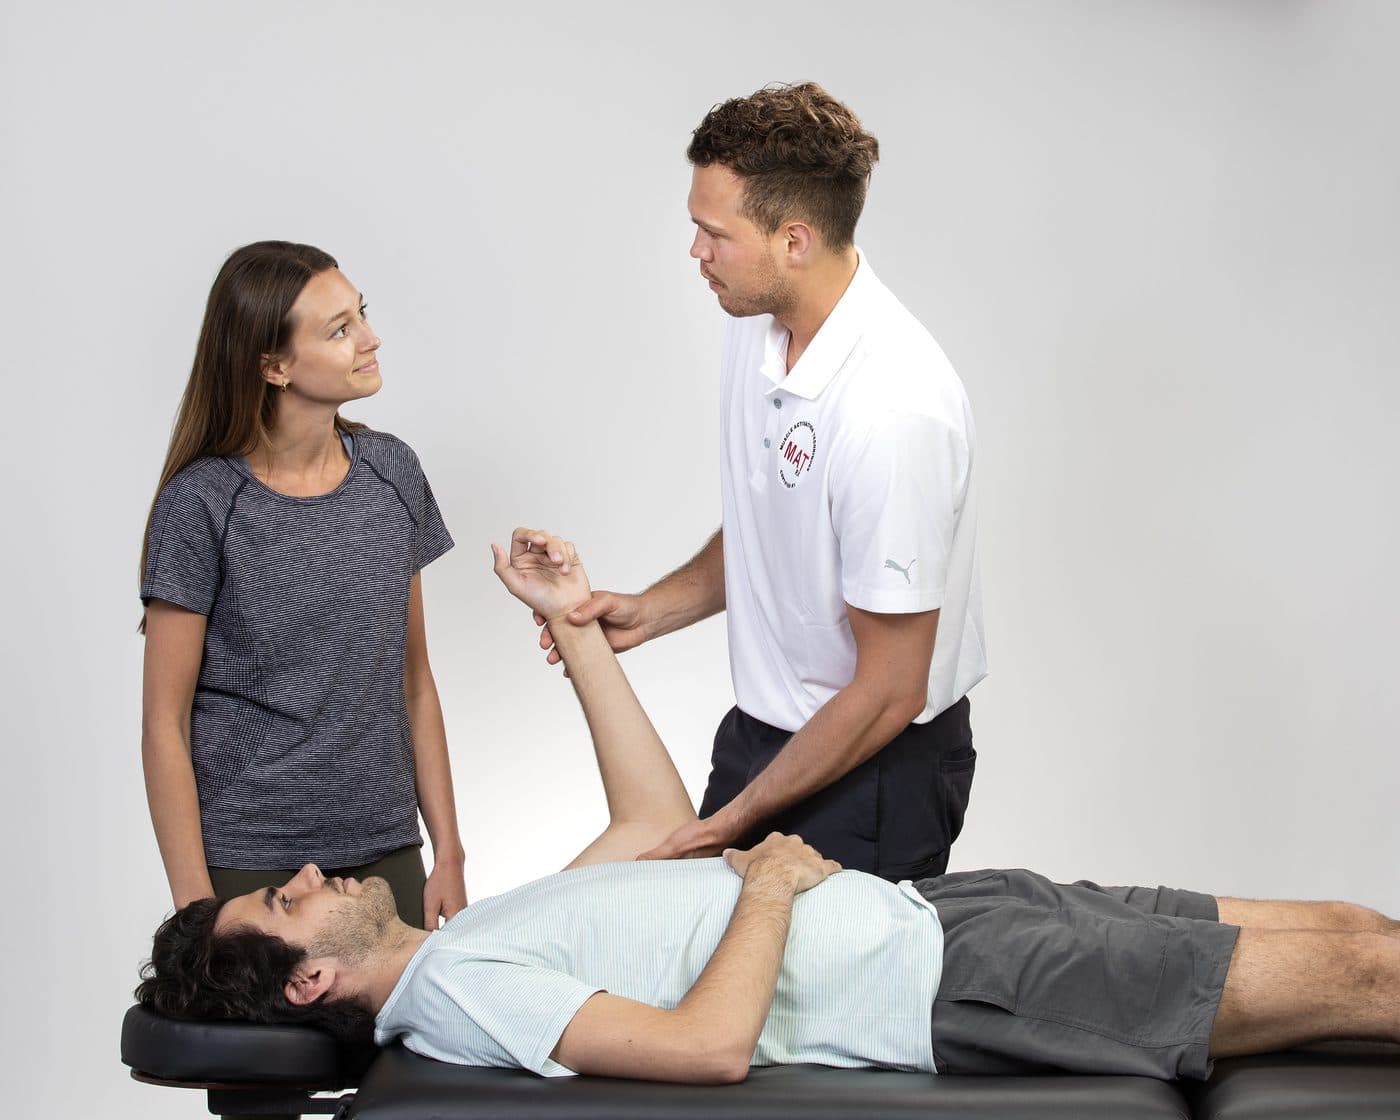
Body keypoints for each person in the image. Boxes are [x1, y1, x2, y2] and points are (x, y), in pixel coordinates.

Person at [138, 530, 1400, 1085]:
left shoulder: (465, 943)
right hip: (948, 983)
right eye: (282, 904)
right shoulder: (458, 999)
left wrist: (573, 622)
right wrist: (774, 883)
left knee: (1354, 931)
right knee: (1360, 976)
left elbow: (648, 823)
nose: (305, 874)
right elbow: (707, 1049)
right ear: (311, 983)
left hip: (937, 915)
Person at [537, 82, 986, 881]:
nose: (696, 252)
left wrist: (730, 823)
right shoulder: (757, 324)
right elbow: (779, 518)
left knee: (808, 969)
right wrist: (653, 609)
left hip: (875, 768)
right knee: (707, 950)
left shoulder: (894, 410)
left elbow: (890, 690)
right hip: (763, 737)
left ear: (794, 241)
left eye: (715, 234)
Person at [139, 241, 466, 933]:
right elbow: (164, 723)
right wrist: (198, 913)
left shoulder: (392, 473)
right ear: (274, 367)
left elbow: (414, 681)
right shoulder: (202, 502)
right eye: (340, 329)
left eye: (362, 314)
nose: (371, 339)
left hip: (386, 854)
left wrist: (449, 853)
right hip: (253, 869)